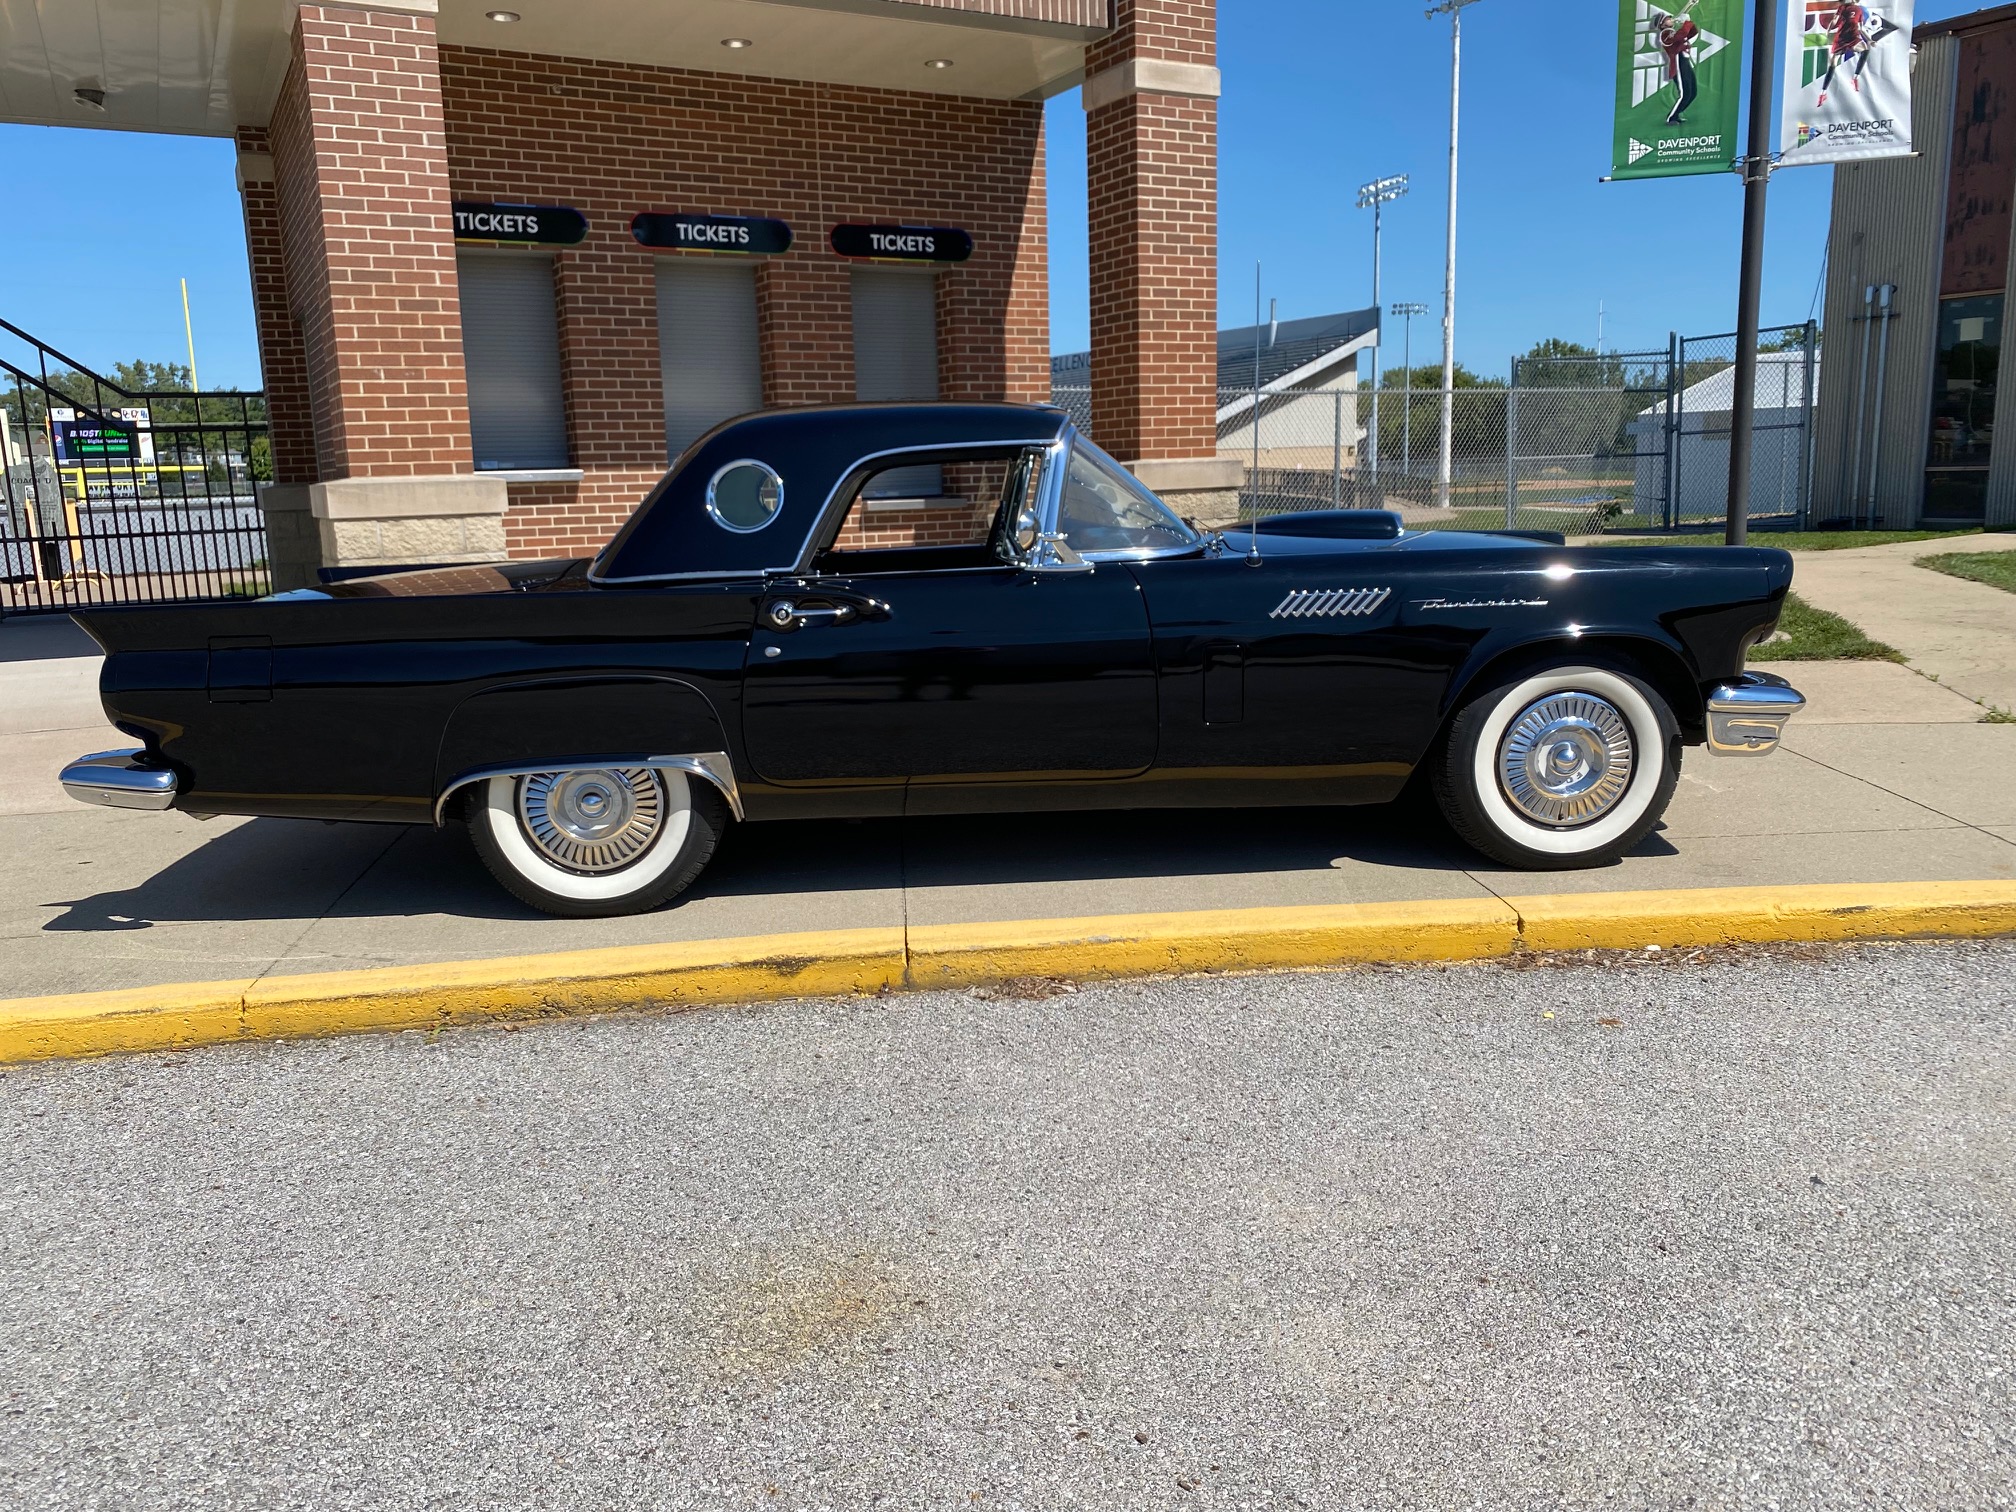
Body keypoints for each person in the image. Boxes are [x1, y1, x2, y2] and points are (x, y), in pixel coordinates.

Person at [1651, 2, 1701, 126]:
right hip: (1678, 63)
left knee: (1692, 92)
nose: (1671, 19)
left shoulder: (1674, 32)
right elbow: (1681, 35)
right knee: (1684, 93)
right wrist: (1685, 23)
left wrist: (1689, 22)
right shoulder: (1665, 34)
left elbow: (1692, 33)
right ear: (1662, 24)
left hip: (1685, 61)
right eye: (1667, 19)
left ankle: (1676, 114)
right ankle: (1671, 118)